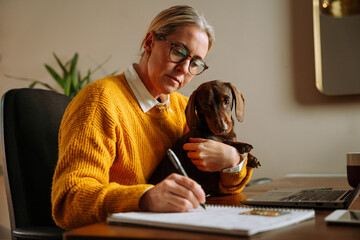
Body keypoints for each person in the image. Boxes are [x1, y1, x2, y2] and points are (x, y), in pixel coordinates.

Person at [51, 5, 253, 230]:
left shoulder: (185, 109)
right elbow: (69, 202)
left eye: (195, 62)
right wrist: (145, 198)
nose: (184, 69)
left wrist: (233, 161)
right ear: (149, 43)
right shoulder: (99, 101)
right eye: (178, 51)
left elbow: (226, 188)